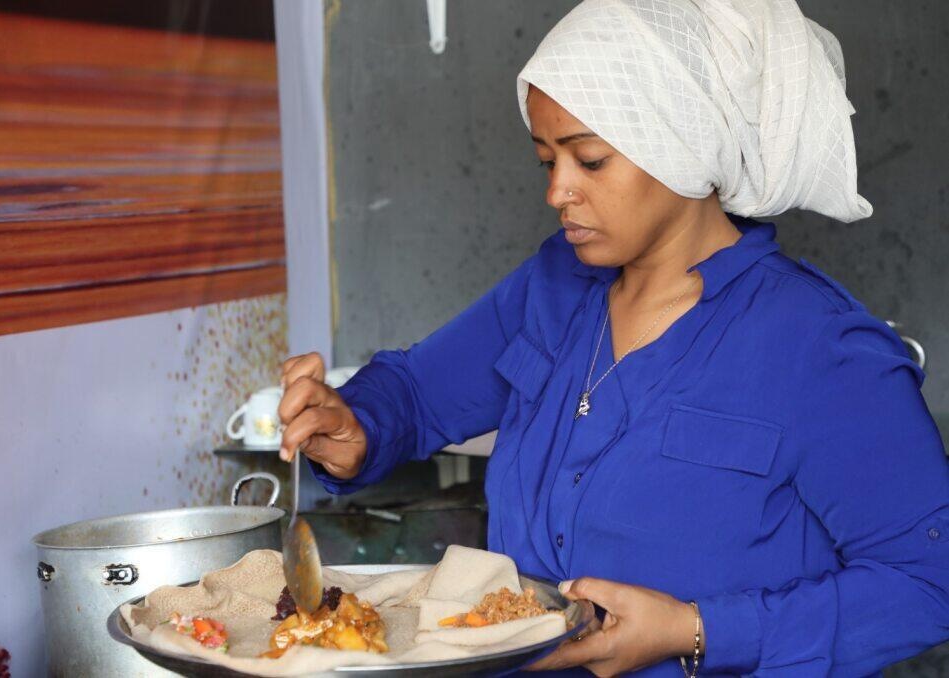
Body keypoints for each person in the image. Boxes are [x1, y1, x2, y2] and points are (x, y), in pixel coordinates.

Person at [277, 0, 949, 675]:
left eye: (589, 161)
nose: (557, 192)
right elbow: (419, 392)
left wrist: (695, 629)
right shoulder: (553, 287)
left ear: (684, 147)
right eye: (547, 161)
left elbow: (929, 580)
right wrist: (357, 424)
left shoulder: (818, 347)